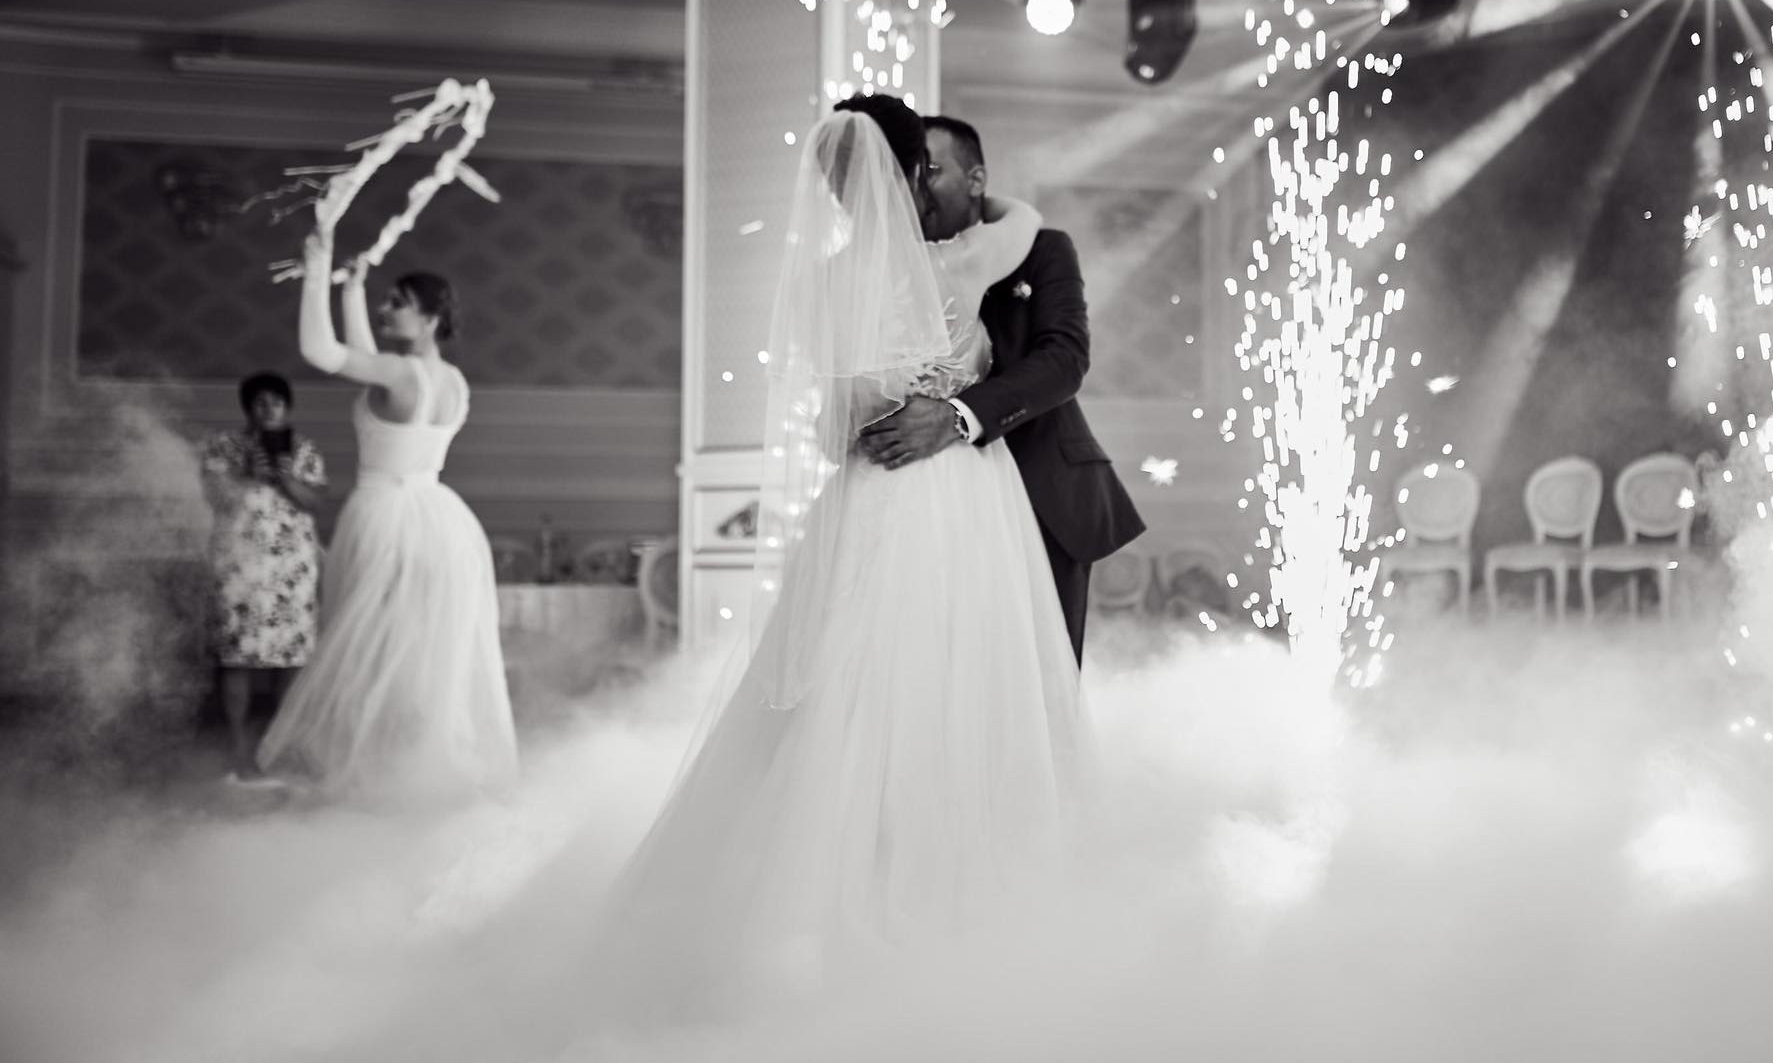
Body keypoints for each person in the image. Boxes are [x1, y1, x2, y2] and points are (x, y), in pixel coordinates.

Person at [607, 95, 1085, 992]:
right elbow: (1024, 218)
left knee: (853, 673)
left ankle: (821, 882)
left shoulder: (818, 283)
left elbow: (830, 435)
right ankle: (949, 884)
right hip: (960, 493)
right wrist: (978, 198)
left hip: (864, 490)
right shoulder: (961, 260)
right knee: (957, 672)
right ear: (913, 170)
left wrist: (878, 417)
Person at [860, 114, 1145, 664]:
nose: (917, 187)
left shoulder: (1042, 249)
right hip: (921, 500)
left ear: (975, 180)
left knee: (1039, 677)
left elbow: (1064, 358)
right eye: (908, 172)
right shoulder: (885, 266)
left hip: (1039, 486)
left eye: (931, 170)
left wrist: (956, 416)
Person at [256, 232, 516, 801]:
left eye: (398, 302)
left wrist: (318, 268)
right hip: (440, 518)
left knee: (369, 646)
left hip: (383, 515)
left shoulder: (400, 374)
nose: (387, 308)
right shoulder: (452, 382)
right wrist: (353, 291)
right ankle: (408, 765)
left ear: (429, 319)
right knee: (410, 647)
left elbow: (323, 353)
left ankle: (372, 770)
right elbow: (366, 362)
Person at [198, 371, 326, 783]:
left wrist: (286, 478)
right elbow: (216, 498)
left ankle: (279, 746)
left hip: (291, 569)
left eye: (277, 402)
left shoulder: (304, 450)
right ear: (248, 409)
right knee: (237, 657)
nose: (269, 409)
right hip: (239, 565)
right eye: (260, 402)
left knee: (292, 659)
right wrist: (246, 473)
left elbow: (315, 503)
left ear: (288, 408)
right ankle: (238, 748)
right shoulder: (222, 446)